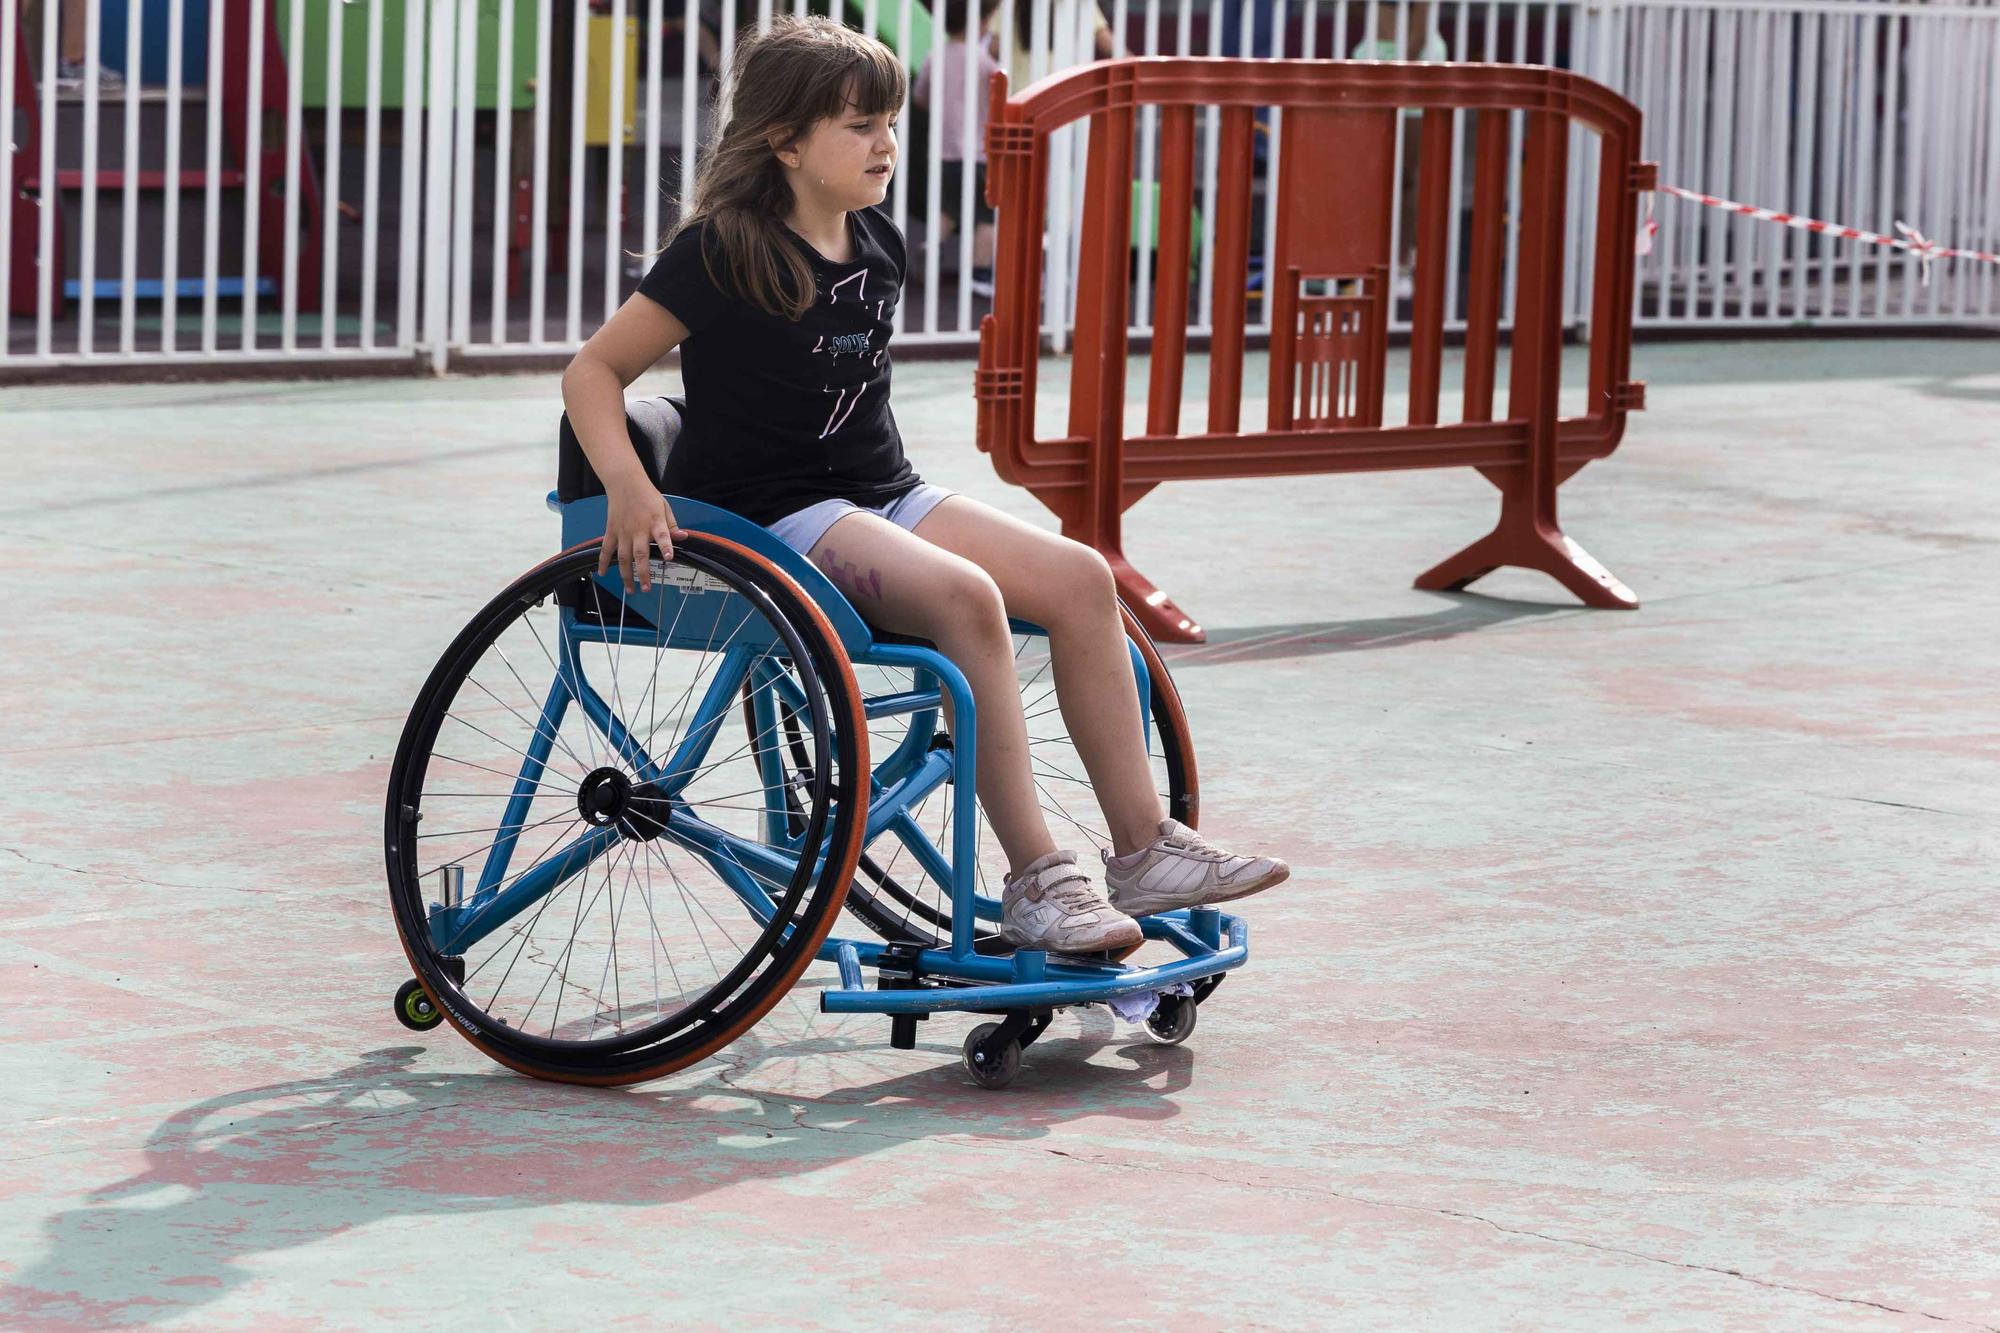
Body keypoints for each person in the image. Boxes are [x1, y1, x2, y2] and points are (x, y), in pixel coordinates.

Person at [561, 16, 1289, 954]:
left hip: (878, 490)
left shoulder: (877, 243)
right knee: (965, 598)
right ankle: (1038, 880)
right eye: (859, 126)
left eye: (889, 122)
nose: (887, 143)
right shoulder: (722, 251)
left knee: (1081, 578)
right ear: (786, 141)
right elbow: (592, 373)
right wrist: (627, 483)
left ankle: (1144, 849)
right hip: (772, 512)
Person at [913, 0, 1002, 297]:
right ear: (979, 23)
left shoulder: (934, 57)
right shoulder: (985, 63)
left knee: (947, 207)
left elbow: (921, 97)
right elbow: (1000, 100)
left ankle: (932, 245)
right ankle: (979, 273)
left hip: (945, 151)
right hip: (980, 152)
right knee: (986, 214)